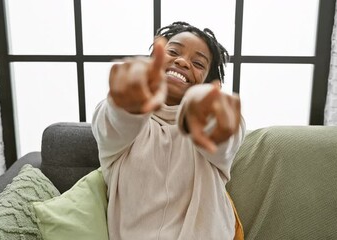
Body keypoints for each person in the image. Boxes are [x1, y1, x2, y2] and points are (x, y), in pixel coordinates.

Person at [92, 21, 245, 240]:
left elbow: (226, 138)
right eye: (173, 52)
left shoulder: (217, 119)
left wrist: (207, 115)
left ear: (209, 84)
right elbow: (113, 122)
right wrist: (127, 101)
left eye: (198, 63)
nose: (182, 61)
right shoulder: (121, 121)